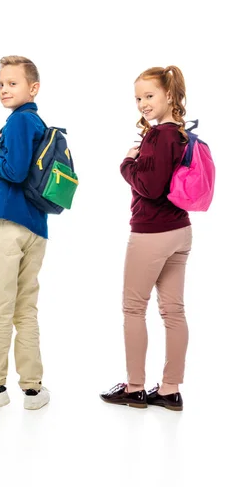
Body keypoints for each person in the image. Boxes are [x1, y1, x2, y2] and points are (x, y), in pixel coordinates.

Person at [100, 66, 192, 412]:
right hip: (180, 230)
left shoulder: (158, 137)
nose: (142, 103)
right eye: (138, 98)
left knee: (133, 308)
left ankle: (135, 387)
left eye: (149, 96)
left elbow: (149, 187)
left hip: (152, 232)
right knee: (174, 311)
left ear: (169, 95)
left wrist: (127, 162)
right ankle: (170, 390)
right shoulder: (181, 134)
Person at [0, 55, 50, 410]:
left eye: (13, 83)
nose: (5, 89)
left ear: (33, 88)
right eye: (1, 84)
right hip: (37, 228)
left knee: (0, 307)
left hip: (8, 225)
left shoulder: (20, 121)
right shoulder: (38, 123)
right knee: (26, 309)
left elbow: (16, 171)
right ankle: (33, 389)